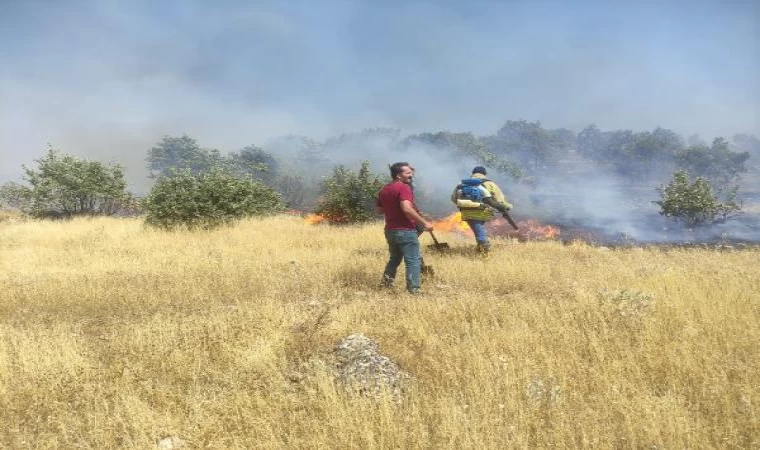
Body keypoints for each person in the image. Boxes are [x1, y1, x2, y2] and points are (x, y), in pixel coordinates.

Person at [376, 162, 434, 294]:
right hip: (405, 230)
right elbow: (407, 209)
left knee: (394, 259)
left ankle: (385, 285)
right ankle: (414, 291)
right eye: (408, 173)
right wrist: (424, 223)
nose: (411, 175)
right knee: (412, 260)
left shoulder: (384, 189)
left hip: (390, 231)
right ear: (398, 175)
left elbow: (379, 210)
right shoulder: (403, 188)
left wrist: (393, 207)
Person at [450, 166, 513, 253]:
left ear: (472, 174)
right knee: (480, 230)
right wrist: (508, 206)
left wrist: (465, 205)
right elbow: (500, 200)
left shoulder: (462, 184)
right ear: (484, 174)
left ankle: (483, 249)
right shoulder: (490, 184)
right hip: (485, 212)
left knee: (478, 230)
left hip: (467, 213)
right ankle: (484, 250)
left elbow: (453, 198)